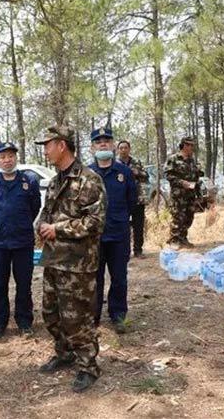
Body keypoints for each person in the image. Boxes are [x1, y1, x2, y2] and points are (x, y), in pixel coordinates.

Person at [35, 125, 106, 393]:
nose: (45, 150)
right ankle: (64, 353)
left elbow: (96, 221)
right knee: (51, 314)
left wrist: (58, 229)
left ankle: (89, 365)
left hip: (77, 263)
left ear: (62, 145)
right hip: (54, 259)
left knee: (77, 317)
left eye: (48, 144)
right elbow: (46, 213)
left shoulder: (89, 179)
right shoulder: (55, 182)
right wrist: (42, 226)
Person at [0, 142, 41, 341]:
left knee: (23, 284)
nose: (7, 160)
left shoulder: (28, 181)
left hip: (23, 242)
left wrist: (21, 224)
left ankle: (24, 322)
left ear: (16, 158)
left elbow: (35, 208)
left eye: (10, 156)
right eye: (3, 157)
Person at [89, 129, 137, 334]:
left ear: (113, 145)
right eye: (98, 142)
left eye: (106, 141)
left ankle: (118, 315)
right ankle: (93, 316)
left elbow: (132, 201)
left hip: (118, 234)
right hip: (94, 236)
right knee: (94, 278)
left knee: (119, 277)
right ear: (92, 147)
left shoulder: (124, 172)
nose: (102, 145)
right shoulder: (87, 173)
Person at [164, 137, 204, 248]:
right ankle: (174, 240)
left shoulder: (192, 160)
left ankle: (183, 238)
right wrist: (182, 182)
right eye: (190, 145)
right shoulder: (173, 158)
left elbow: (197, 176)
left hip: (191, 194)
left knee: (189, 217)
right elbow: (168, 175)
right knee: (178, 217)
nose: (192, 147)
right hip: (179, 194)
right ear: (184, 145)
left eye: (193, 145)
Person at [117, 140, 149, 257]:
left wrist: (137, 172)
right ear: (118, 150)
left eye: (125, 148)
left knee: (138, 225)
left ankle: (138, 250)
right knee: (121, 226)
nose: (123, 150)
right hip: (120, 200)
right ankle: (123, 251)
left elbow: (146, 176)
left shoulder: (136, 162)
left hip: (137, 198)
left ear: (129, 149)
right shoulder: (115, 163)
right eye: (121, 148)